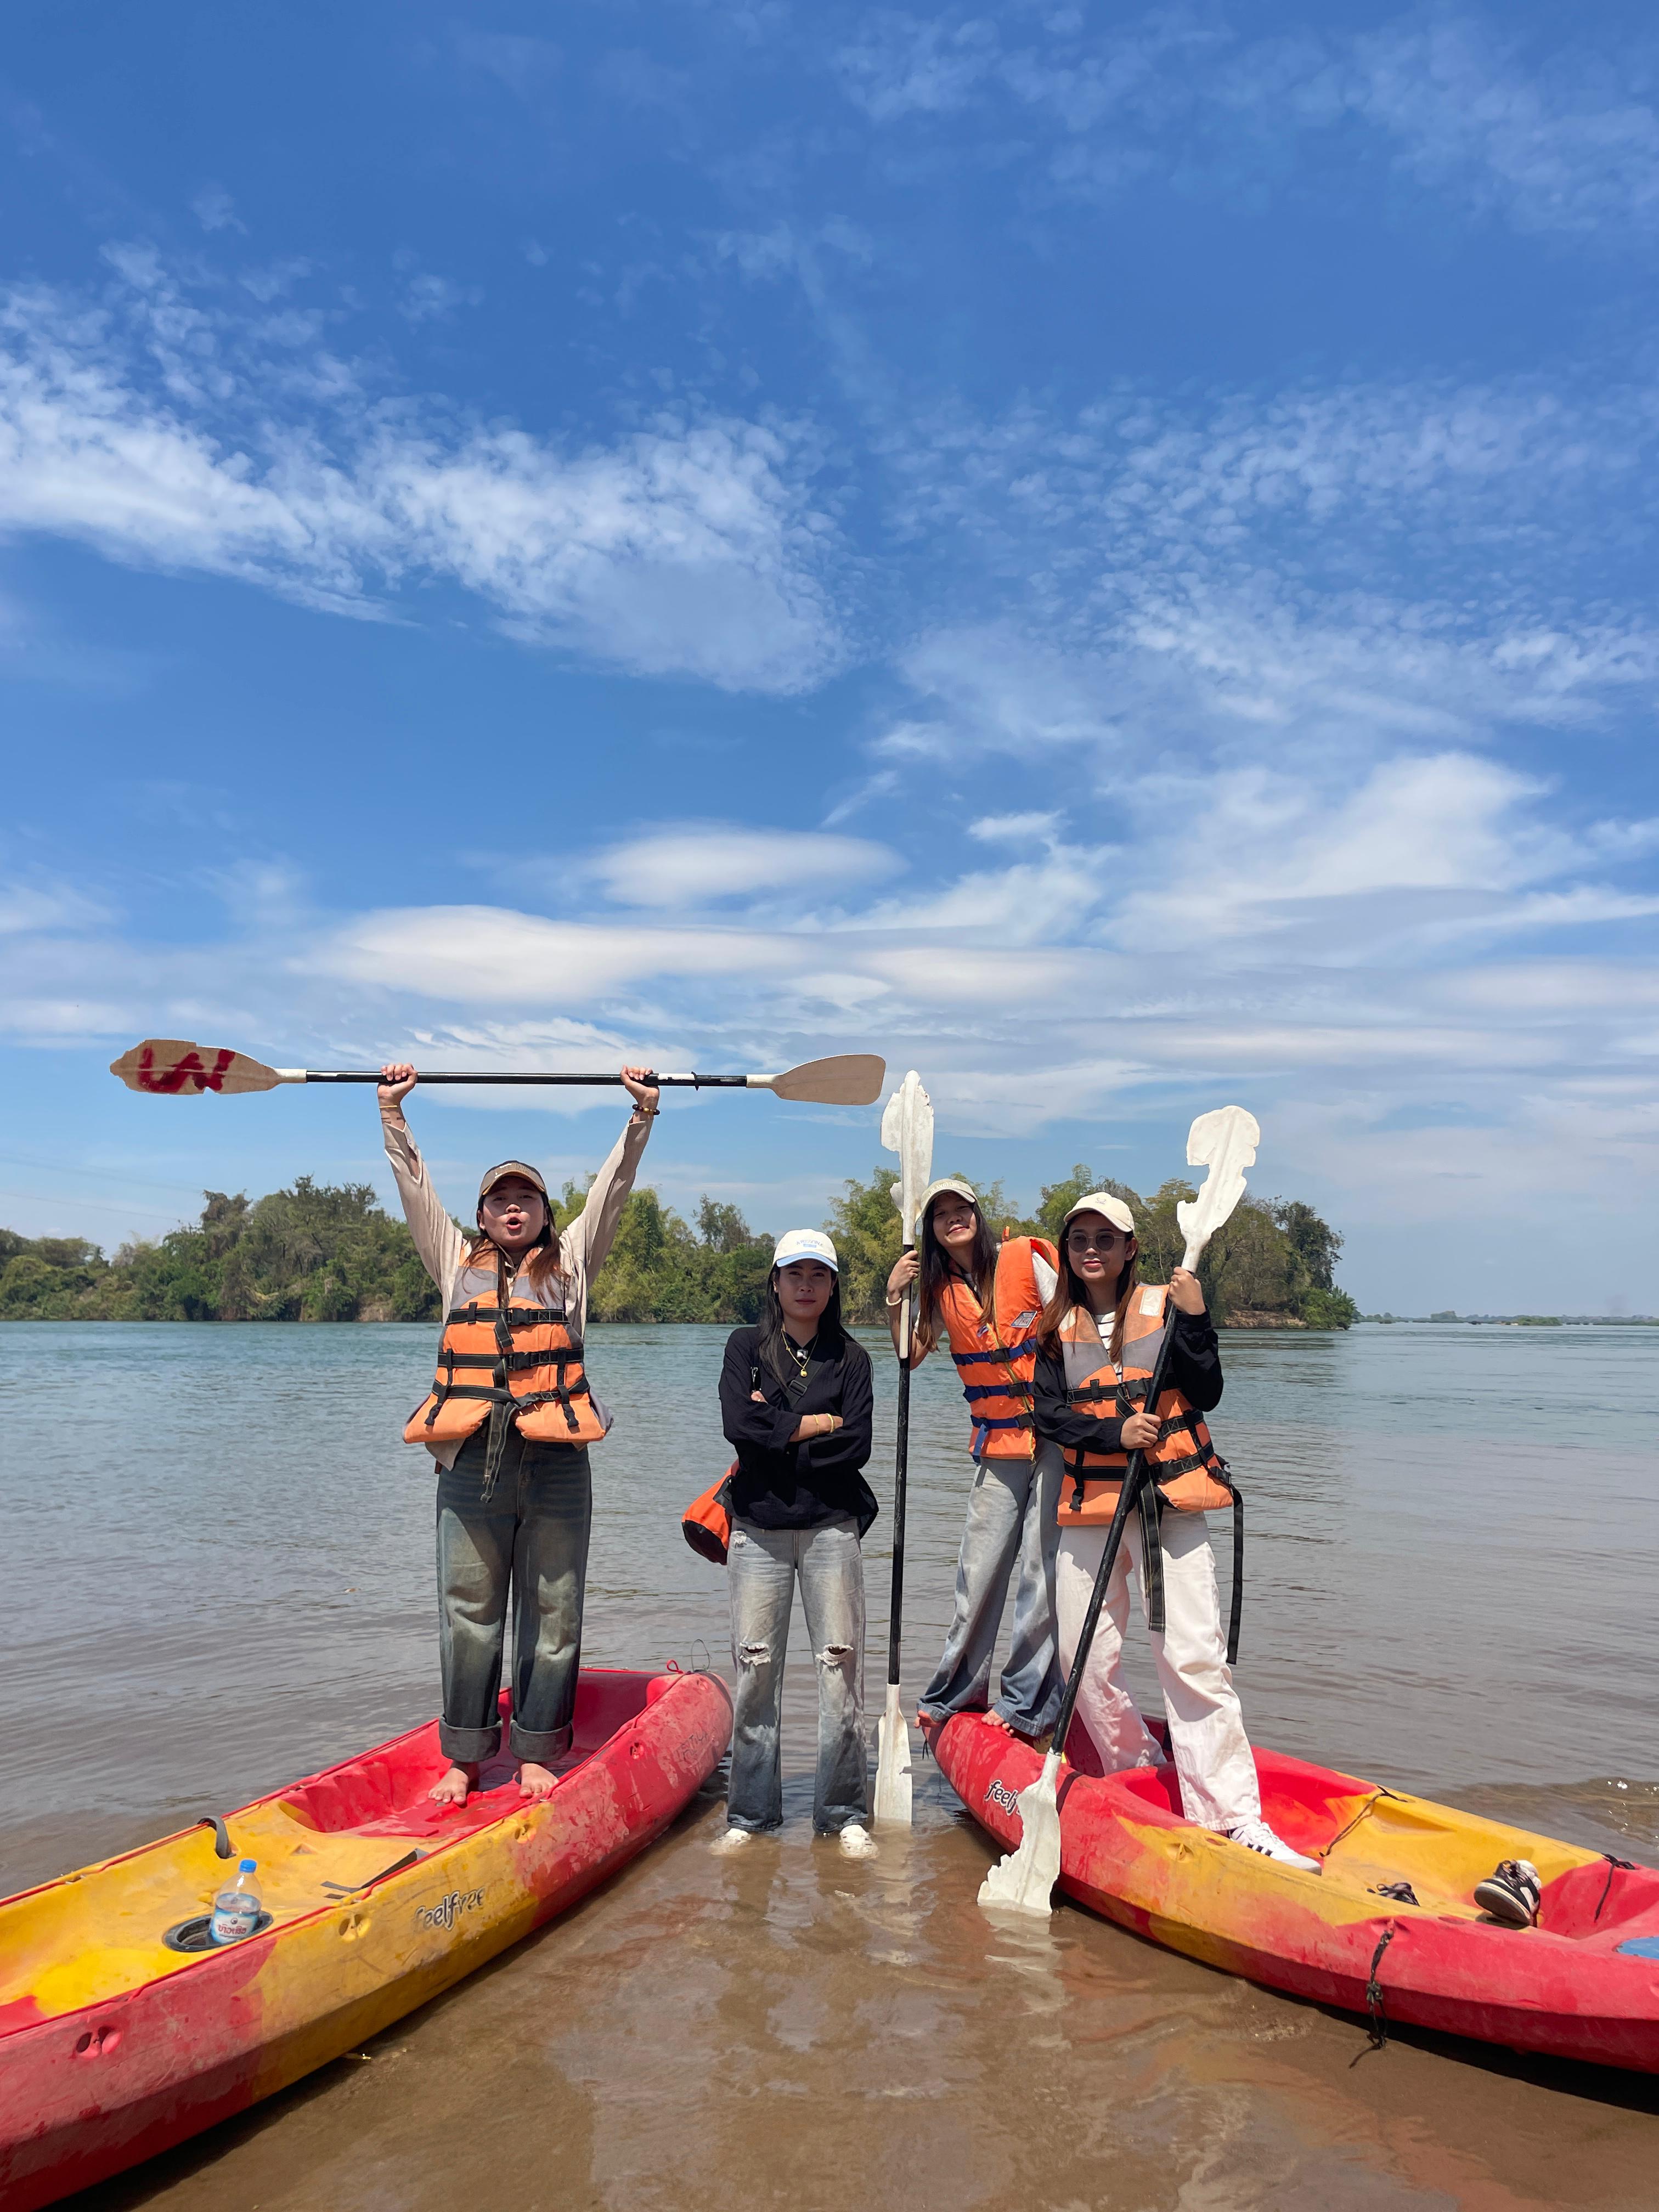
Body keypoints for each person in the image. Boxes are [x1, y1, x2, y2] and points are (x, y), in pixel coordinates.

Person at [377, 1058, 659, 1807]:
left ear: (544, 1211)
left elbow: (613, 1194)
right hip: (472, 1459)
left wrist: (640, 1119)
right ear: (480, 1215)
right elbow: (415, 1192)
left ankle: (538, 1749)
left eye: (525, 1197)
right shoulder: (450, 1262)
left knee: (554, 1608)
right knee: (467, 1612)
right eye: (499, 1199)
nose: (512, 1208)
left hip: (557, 1460)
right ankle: (465, 1756)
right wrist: (393, 1118)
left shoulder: (573, 1267)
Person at [1031, 1191, 1317, 1870]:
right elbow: (1048, 1416)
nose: (1091, 1249)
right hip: (1093, 1508)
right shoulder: (1054, 1329)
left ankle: (1233, 1817)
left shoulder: (1169, 1304)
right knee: (1081, 1659)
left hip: (1167, 1506)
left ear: (1131, 1247)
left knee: (1191, 1656)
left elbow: (1206, 1388)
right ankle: (1139, 1769)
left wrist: (1198, 1319)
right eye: (1079, 1239)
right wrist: (1112, 1432)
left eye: (1106, 1237)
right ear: (1068, 1251)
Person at [714, 1228, 878, 1859]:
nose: (805, 1286)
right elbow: (738, 1425)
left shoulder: (853, 1360)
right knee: (756, 1673)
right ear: (776, 1283)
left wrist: (775, 1432)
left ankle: (842, 1814)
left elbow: (857, 1446)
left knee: (840, 1671)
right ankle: (751, 1816)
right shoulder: (744, 1348)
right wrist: (818, 1424)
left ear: (832, 1285)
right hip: (756, 1529)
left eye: (818, 1275)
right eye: (794, 1274)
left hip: (832, 1527)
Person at [885, 1180, 1062, 1743]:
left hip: (1058, 1439)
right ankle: (955, 1690)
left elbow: (1076, 1322)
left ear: (978, 1217)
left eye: (962, 1209)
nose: (954, 1219)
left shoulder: (1024, 1260)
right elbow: (908, 1355)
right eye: (942, 1214)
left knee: (1042, 1571)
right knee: (978, 1571)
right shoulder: (935, 1289)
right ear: (932, 1230)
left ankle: (1027, 1703)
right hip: (999, 1446)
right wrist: (894, 1296)